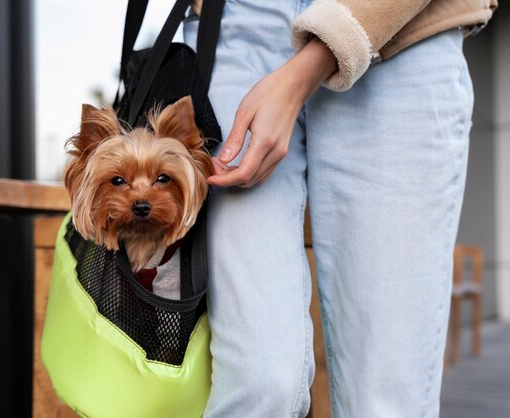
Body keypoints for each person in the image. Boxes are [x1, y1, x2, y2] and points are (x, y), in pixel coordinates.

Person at [183, 0, 497, 417]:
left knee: (382, 399)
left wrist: (305, 70)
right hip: (241, 30)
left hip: (400, 30)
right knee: (258, 383)